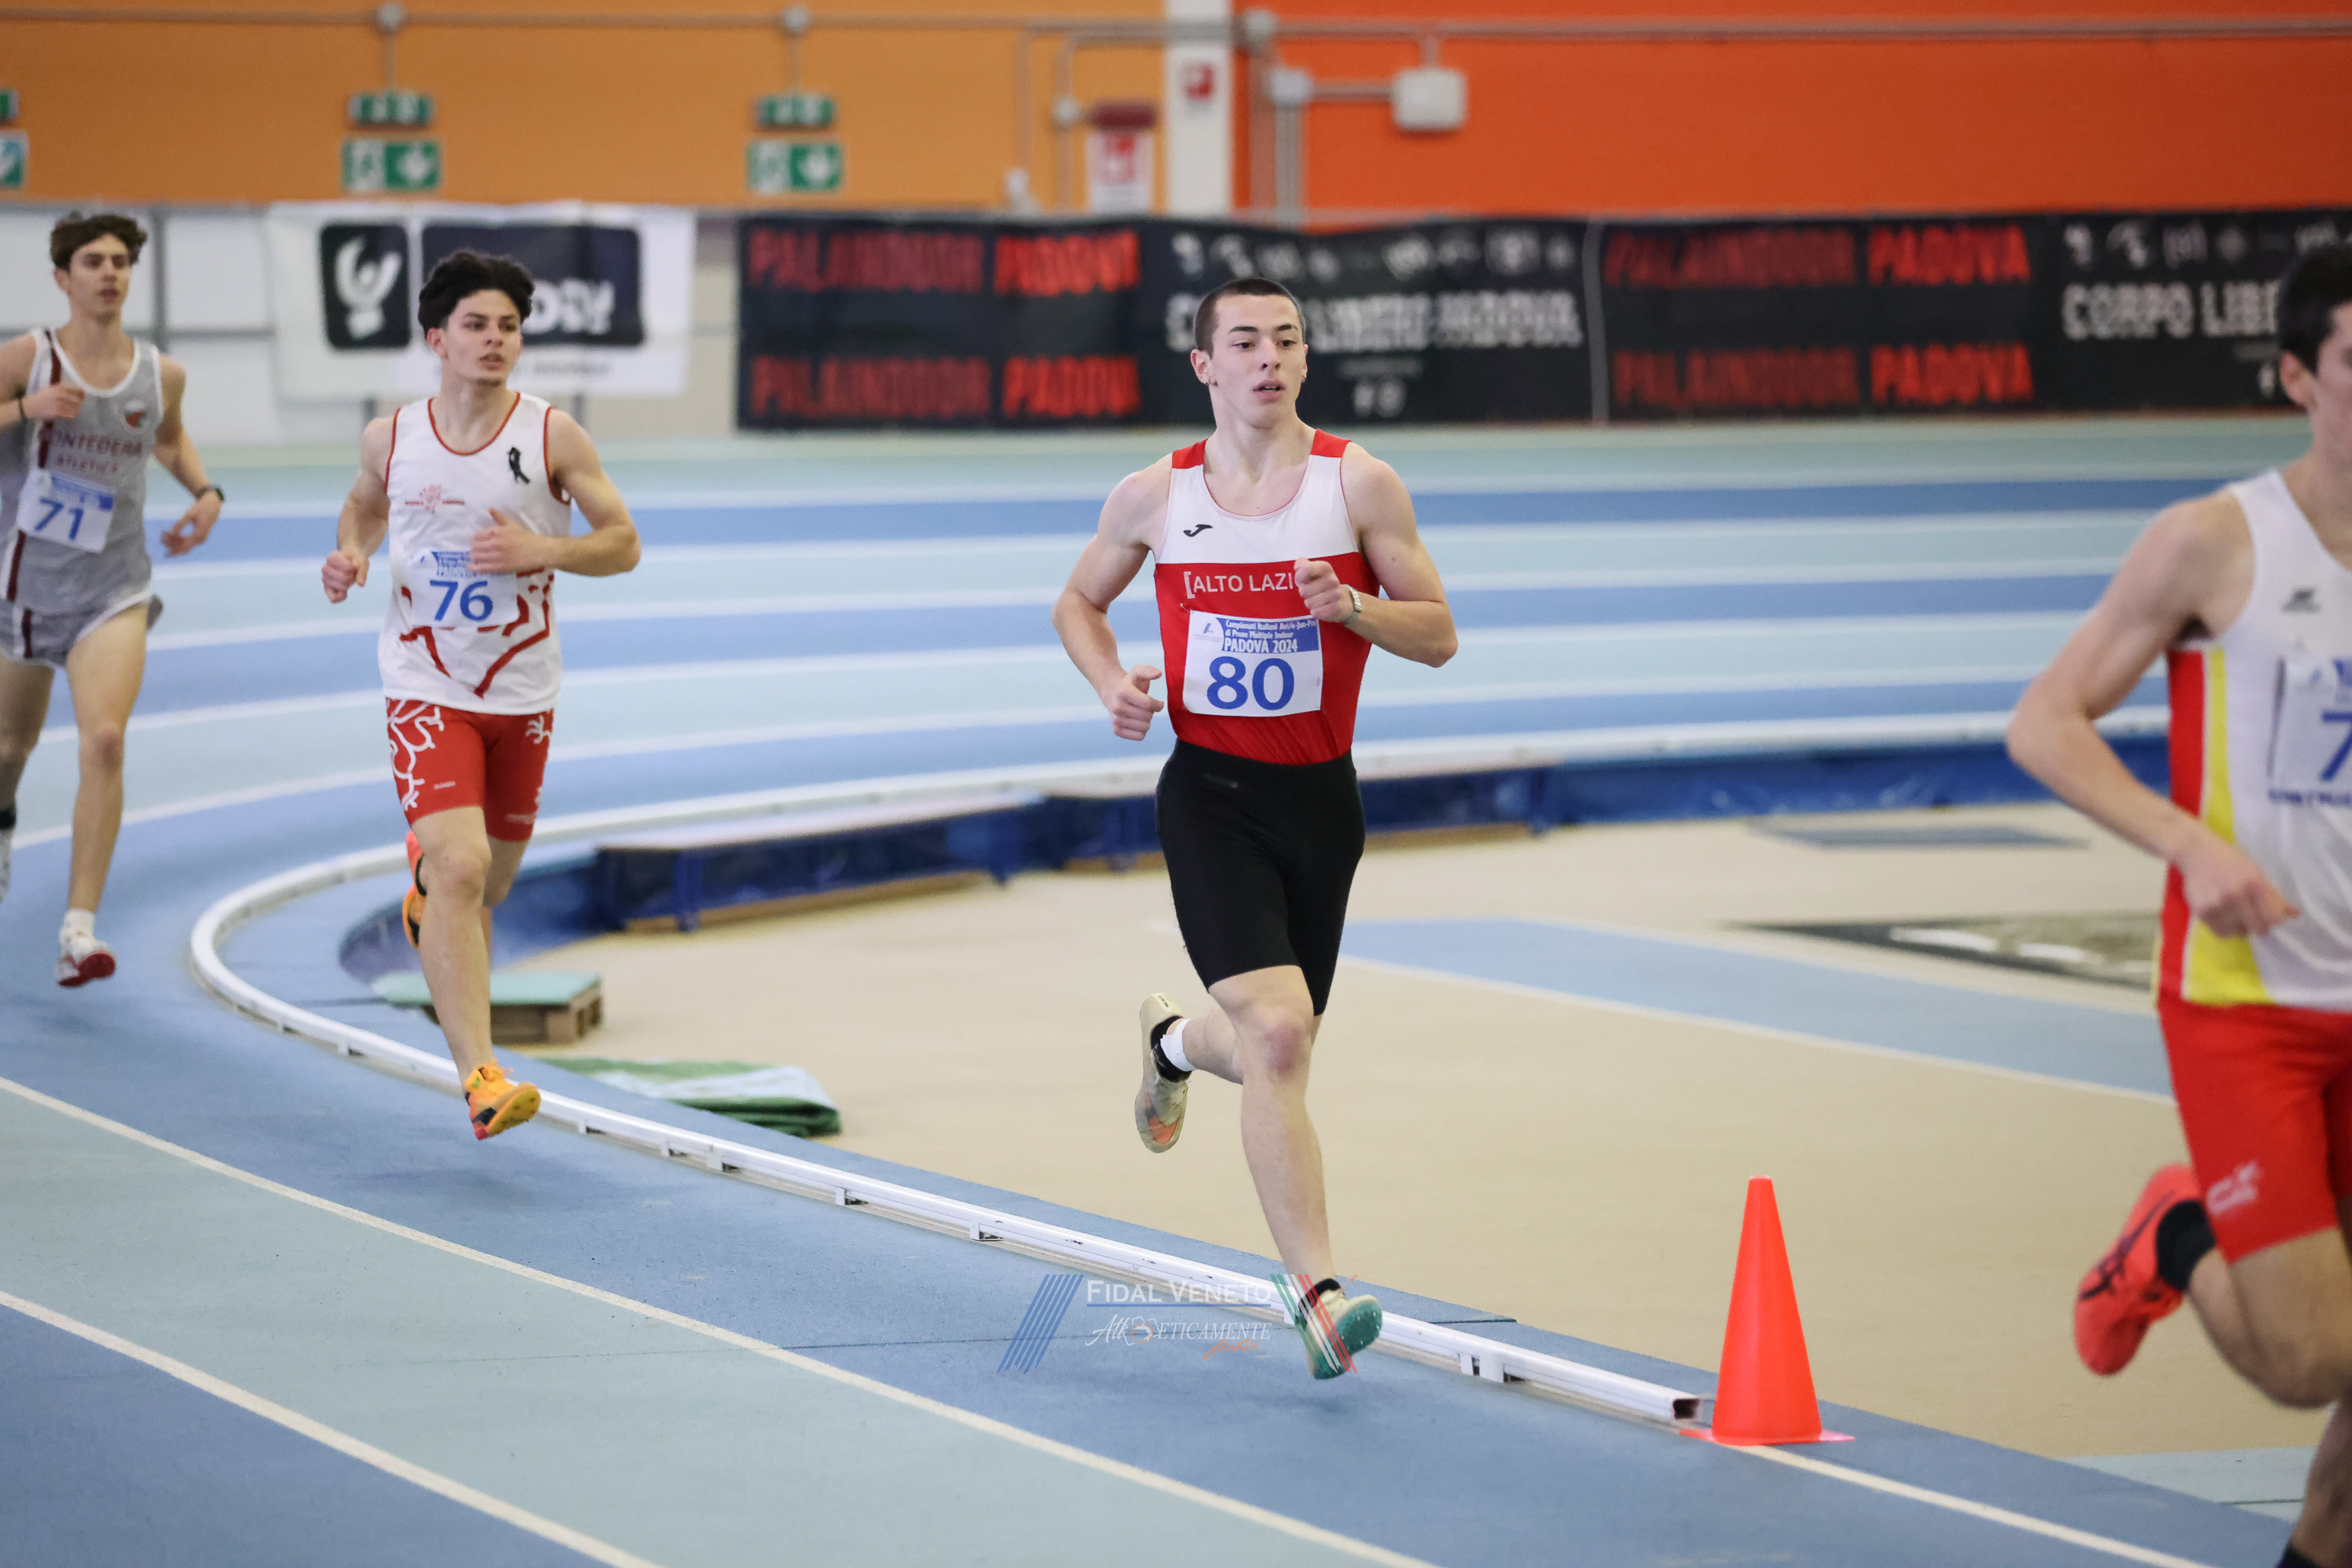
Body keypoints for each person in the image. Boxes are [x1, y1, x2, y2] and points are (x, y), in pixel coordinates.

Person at [2011, 242, 2352, 1568]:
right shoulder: (2219, 543)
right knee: (2313, 1358)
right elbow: (2047, 723)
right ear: (2297, 379)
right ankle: (2176, 1226)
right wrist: (2189, 847)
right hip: (2248, 1001)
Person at [1052, 276, 1457, 1380]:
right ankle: (1320, 1295)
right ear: (1205, 365)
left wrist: (1356, 607)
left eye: (1287, 339)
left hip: (1322, 804)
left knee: (1282, 1041)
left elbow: (1439, 634)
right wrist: (1111, 686)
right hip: (1211, 797)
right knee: (1279, 1035)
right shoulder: (1155, 495)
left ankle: (1171, 1046)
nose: (1269, 357)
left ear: (1305, 358)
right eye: (1244, 341)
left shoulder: (1357, 483)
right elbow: (1078, 603)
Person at [322, 249, 640, 1141]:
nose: (495, 339)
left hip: (522, 689)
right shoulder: (392, 437)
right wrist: (351, 553)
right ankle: (482, 1077)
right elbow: (366, 505)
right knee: (462, 865)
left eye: (508, 325)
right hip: (425, 682)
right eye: (476, 325)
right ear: (438, 339)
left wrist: (546, 550)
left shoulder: (553, 437)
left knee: (487, 882)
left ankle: (428, 887)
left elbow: (623, 542)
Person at [0, 212, 223, 983]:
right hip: (21, 589)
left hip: (112, 588)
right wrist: (25, 411)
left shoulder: (161, 374)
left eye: (120, 261)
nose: (109, 273)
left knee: (104, 740)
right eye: (93, 261)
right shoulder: (26, 358)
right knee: (8, 750)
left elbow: (167, 436)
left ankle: (78, 930)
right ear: (62, 277)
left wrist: (204, 491)